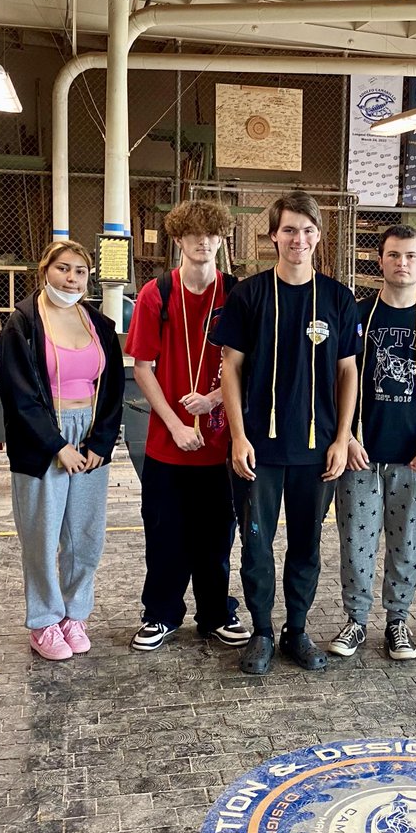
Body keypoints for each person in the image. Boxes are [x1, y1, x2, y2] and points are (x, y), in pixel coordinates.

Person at [211, 190, 359, 675]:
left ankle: (297, 628)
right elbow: (229, 368)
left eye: (308, 230)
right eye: (290, 229)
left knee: (306, 545)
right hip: (259, 448)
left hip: (316, 453)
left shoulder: (338, 298)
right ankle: (261, 632)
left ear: (319, 236)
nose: (299, 238)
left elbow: (348, 373)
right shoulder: (248, 295)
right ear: (273, 234)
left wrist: (342, 438)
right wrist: (237, 435)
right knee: (256, 544)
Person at [327, 225, 416, 661]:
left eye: (410, 256)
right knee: (356, 542)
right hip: (361, 455)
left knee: (406, 541)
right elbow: (340, 377)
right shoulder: (358, 316)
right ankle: (355, 621)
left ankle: (398, 621)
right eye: (393, 255)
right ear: (379, 261)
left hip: (415, 458)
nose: (401, 264)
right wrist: (345, 435)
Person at [124, 200, 250, 651]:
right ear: (178, 239)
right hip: (168, 443)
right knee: (165, 533)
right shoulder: (156, 294)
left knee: (217, 536)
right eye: (194, 234)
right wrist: (176, 425)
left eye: (212, 234)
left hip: (221, 444)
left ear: (221, 240)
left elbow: (247, 362)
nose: (203, 241)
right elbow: (142, 366)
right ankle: (160, 614)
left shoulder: (236, 294)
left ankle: (216, 613)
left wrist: (215, 397)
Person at [0, 240, 125, 660]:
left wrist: (99, 442)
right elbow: (19, 395)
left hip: (88, 436)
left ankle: (75, 614)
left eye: (80, 272)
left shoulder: (99, 325)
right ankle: (44, 621)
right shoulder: (23, 324)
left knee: (85, 537)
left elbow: (112, 391)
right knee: (42, 535)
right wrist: (57, 446)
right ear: (45, 270)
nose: (71, 278)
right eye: (63, 269)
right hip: (43, 441)